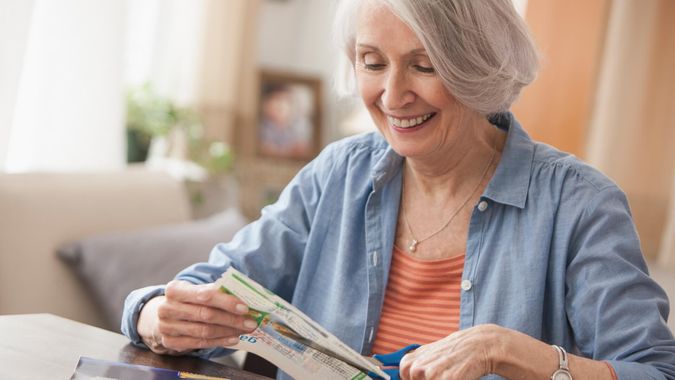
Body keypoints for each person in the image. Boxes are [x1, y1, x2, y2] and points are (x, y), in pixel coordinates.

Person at [122, 0, 675, 379]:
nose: (392, 95)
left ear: (477, 68)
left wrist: (512, 352)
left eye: (423, 65)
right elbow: (204, 288)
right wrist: (155, 316)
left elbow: (655, 370)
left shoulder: (578, 204)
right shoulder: (338, 174)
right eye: (372, 63)